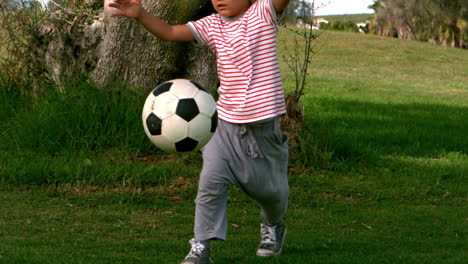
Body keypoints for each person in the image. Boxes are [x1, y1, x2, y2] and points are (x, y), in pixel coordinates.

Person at [109, 0, 290, 263]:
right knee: (210, 183)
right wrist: (140, 15)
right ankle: (201, 246)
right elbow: (170, 33)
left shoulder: (262, 13)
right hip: (222, 125)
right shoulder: (212, 24)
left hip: (262, 129)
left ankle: (273, 225)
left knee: (270, 193)